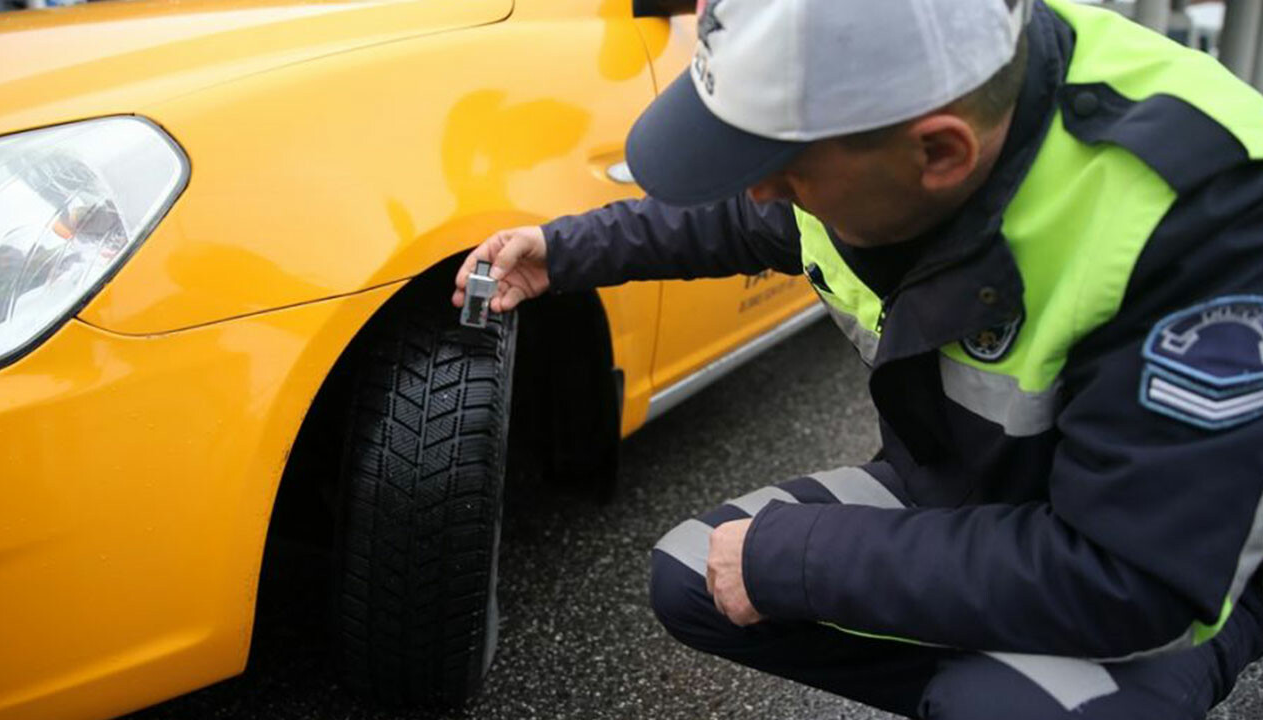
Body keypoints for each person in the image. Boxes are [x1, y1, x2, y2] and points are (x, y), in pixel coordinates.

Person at [453, 0, 1263, 717]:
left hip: (1178, 562)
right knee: (695, 575)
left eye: (783, 168)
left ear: (939, 154)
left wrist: (799, 558)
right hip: (970, 489)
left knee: (992, 702)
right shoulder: (894, 136)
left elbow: (1134, 578)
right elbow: (739, 219)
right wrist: (561, 251)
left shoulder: (1197, 208)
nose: (765, 191)